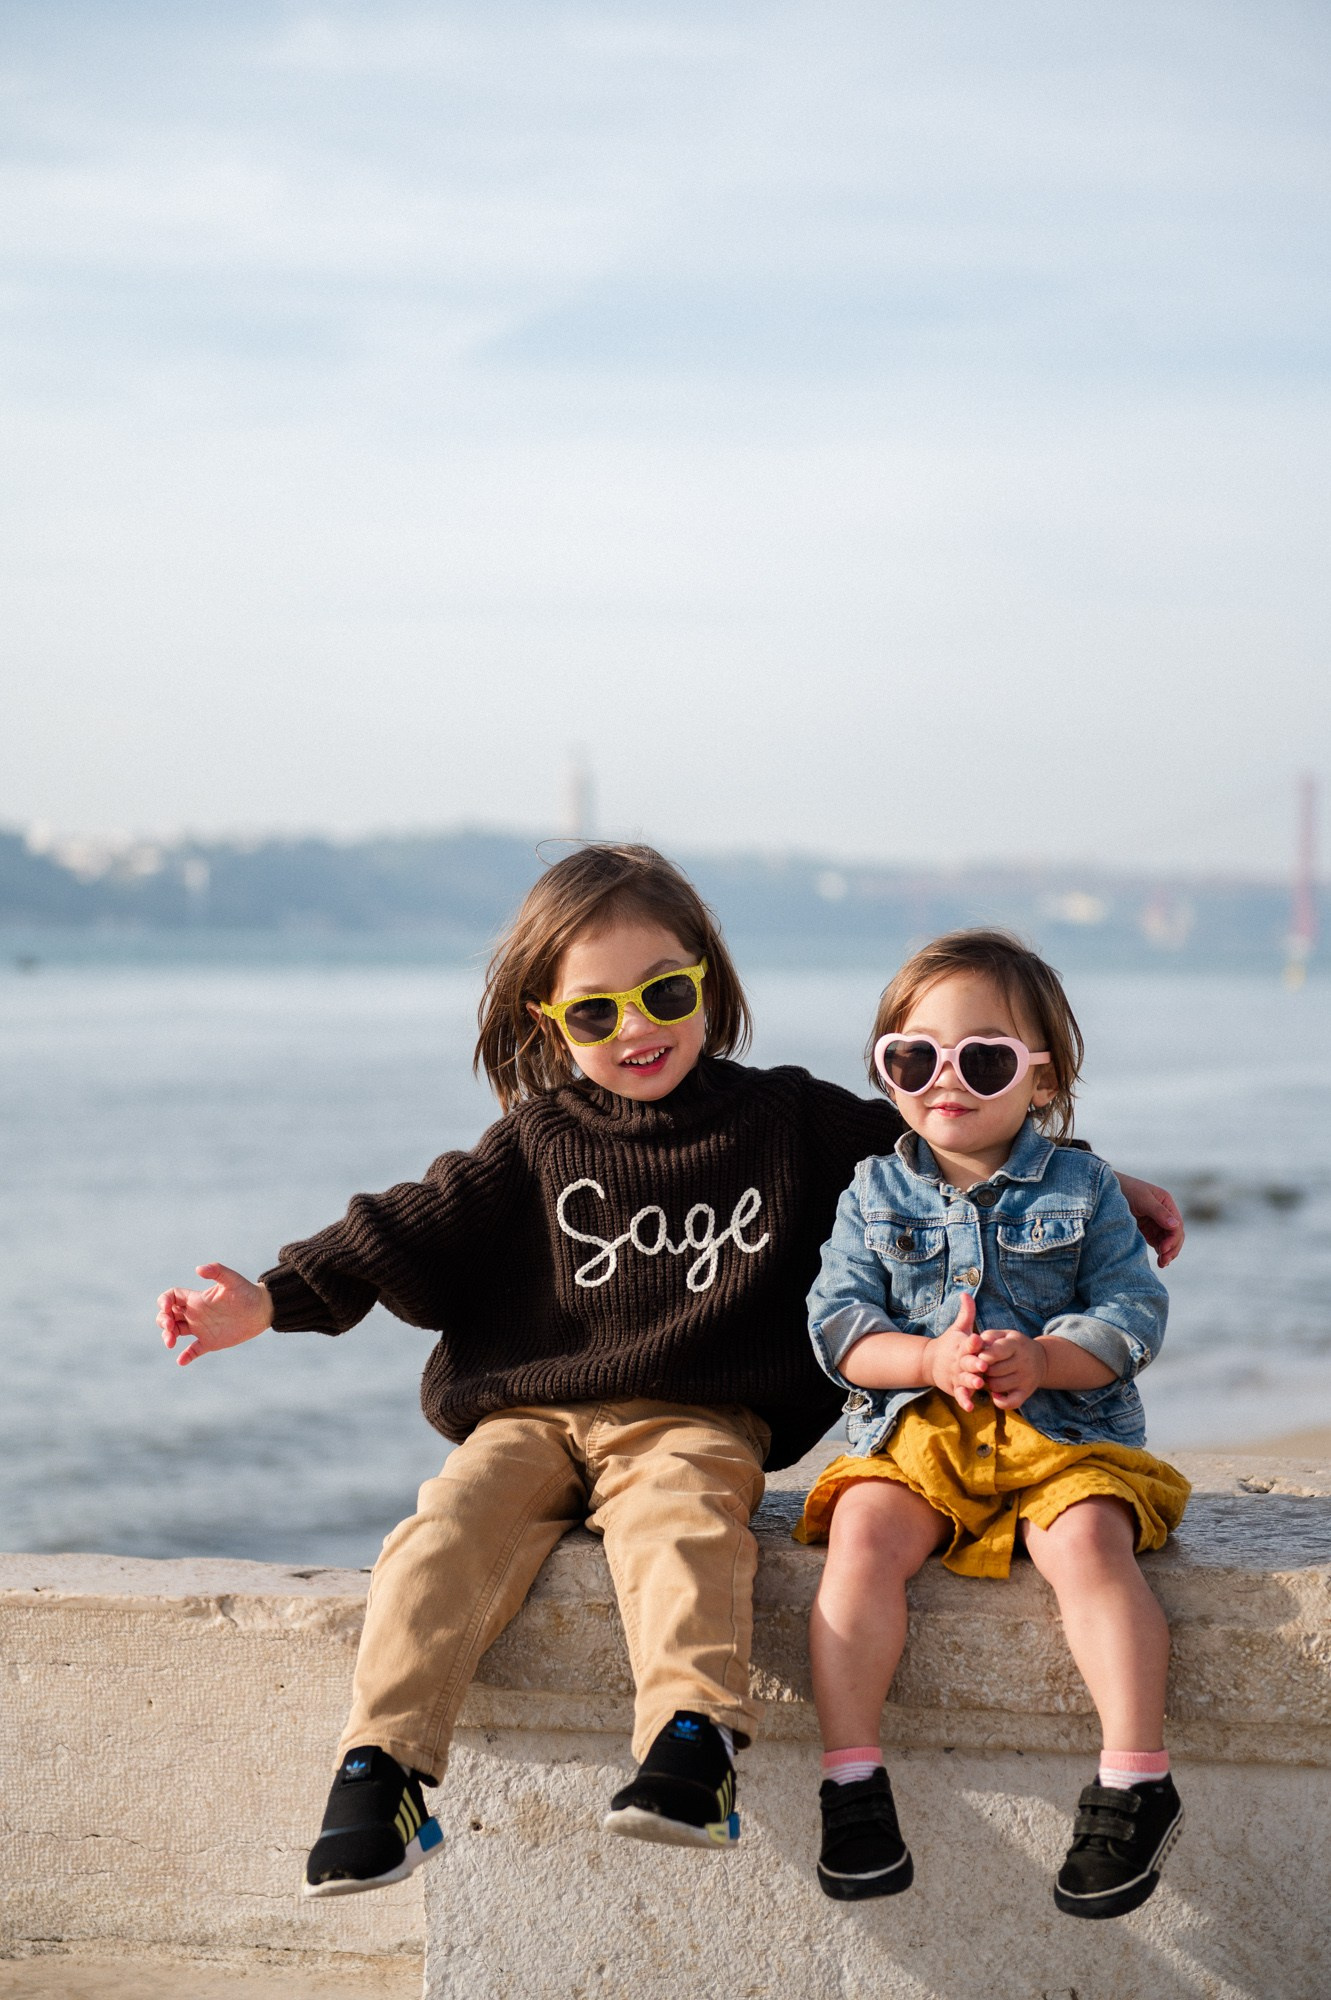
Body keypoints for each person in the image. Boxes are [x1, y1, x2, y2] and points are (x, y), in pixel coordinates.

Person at [155, 849, 1183, 1900]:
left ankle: (692, 1747)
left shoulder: (784, 1119)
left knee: (684, 1522)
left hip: (696, 1414)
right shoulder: (534, 1140)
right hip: (527, 1411)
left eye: (662, 994)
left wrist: (1110, 1180)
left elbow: (946, 1129)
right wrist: (270, 1299)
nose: (635, 1028)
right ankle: (382, 1770)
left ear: (707, 981)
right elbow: (403, 1227)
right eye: (594, 1012)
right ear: (548, 1022)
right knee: (444, 1528)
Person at [796, 928, 1190, 1920]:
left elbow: (1131, 1314)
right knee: (859, 1535)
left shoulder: (1083, 1189)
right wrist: (924, 1360)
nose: (945, 1079)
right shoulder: (869, 1192)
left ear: (1038, 1075)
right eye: (913, 1056)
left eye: (981, 1059)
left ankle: (1134, 1778)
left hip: (1061, 1434)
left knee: (1088, 1543)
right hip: (918, 1436)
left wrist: (1046, 1358)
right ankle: (851, 1782)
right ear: (885, 1068)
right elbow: (838, 1327)